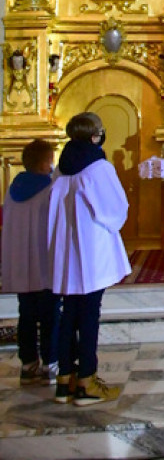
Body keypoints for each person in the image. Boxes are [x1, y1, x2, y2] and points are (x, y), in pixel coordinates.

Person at [48, 112, 131, 405]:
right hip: (92, 252)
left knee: (68, 313)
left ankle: (64, 381)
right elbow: (115, 212)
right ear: (96, 135)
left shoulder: (62, 169)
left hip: (67, 251)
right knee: (89, 315)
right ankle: (87, 381)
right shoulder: (98, 167)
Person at [1, 139, 60, 386]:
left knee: (26, 314)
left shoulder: (13, 188)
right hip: (44, 263)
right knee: (50, 315)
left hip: (21, 265)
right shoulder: (49, 189)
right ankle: (50, 362)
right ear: (46, 162)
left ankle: (27, 364)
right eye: (51, 160)